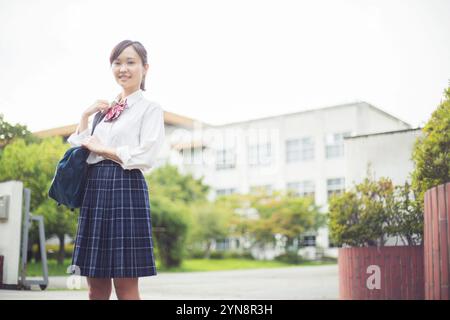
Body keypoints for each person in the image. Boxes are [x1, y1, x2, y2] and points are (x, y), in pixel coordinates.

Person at [67, 40, 165, 300]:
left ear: (145, 67)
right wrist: (85, 117)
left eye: (130, 62)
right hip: (95, 188)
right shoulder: (105, 110)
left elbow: (147, 154)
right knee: (95, 285)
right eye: (117, 62)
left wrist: (105, 150)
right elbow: (81, 148)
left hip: (126, 186)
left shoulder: (149, 108)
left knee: (126, 286)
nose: (123, 68)